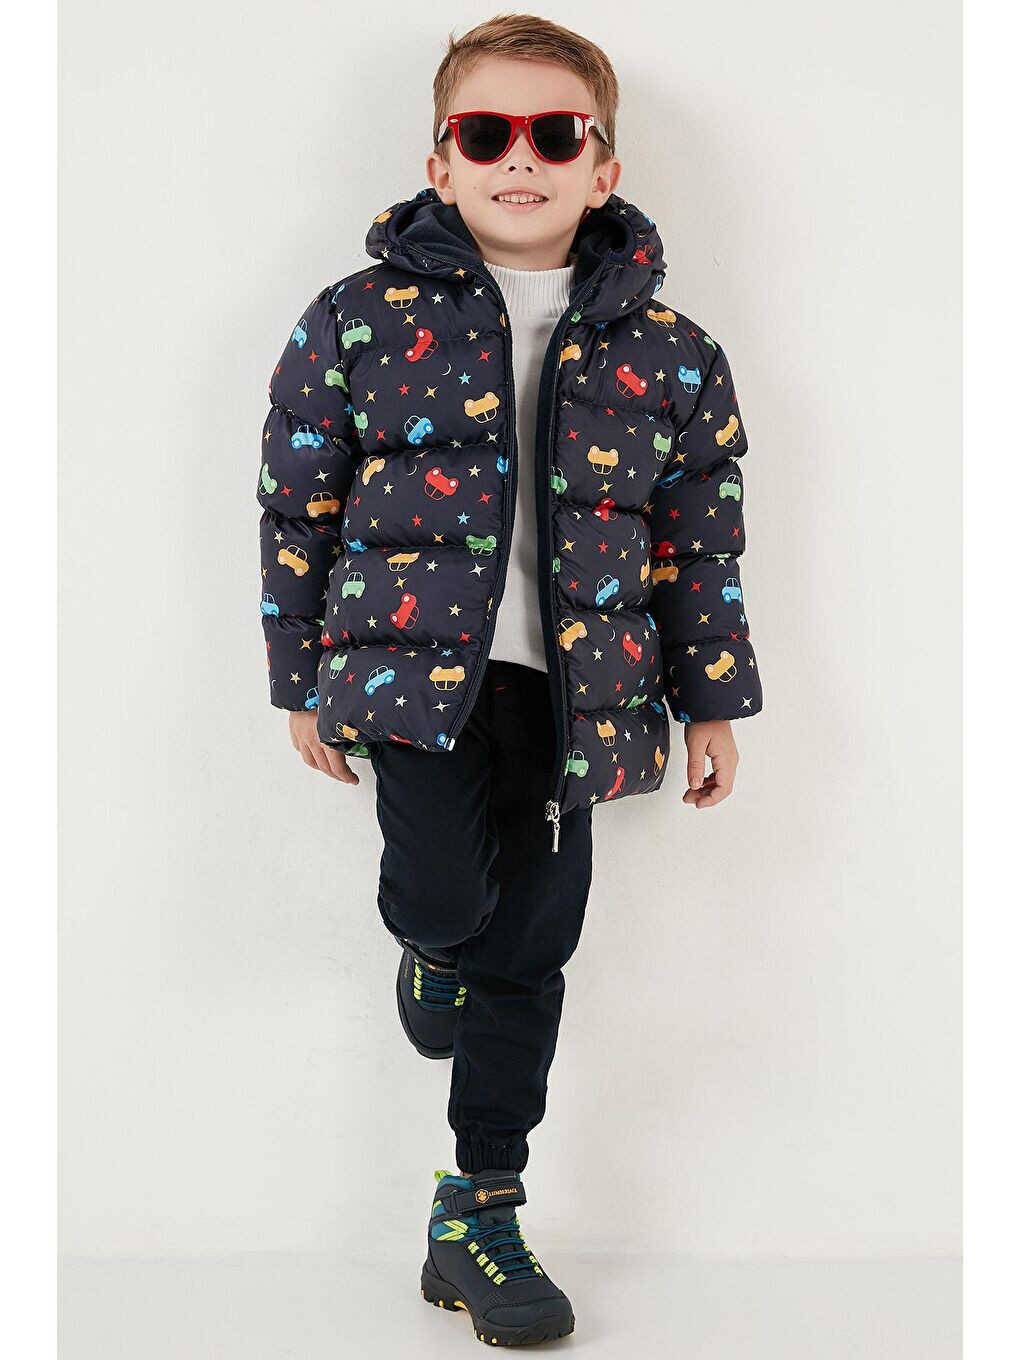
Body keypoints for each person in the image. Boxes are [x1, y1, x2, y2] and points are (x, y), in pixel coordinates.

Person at [257, 13, 763, 1347]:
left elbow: (699, 536)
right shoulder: (358, 320)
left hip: (581, 692)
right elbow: (298, 506)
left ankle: (478, 1207)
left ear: (603, 167)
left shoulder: (673, 352)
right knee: (443, 892)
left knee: (536, 946)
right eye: (486, 134)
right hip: (415, 680)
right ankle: (431, 951)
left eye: (554, 133)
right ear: (441, 162)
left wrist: (713, 699)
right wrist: (301, 675)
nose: (519, 158)